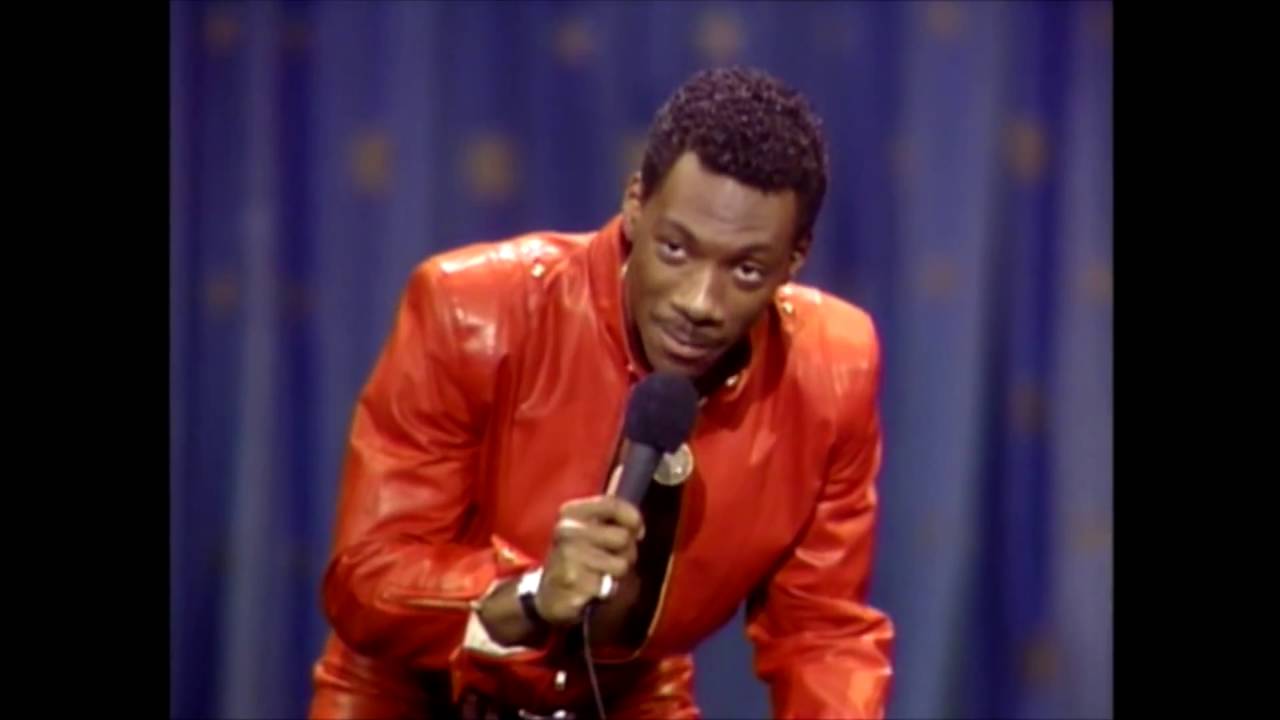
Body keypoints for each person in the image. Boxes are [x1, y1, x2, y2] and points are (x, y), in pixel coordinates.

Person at [309, 65, 893, 720]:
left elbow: (821, 633)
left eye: (747, 269)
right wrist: (528, 596)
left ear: (796, 257)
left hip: (626, 697)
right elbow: (366, 580)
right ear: (636, 203)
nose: (700, 302)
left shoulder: (829, 372)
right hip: (417, 694)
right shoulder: (473, 310)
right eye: (676, 249)